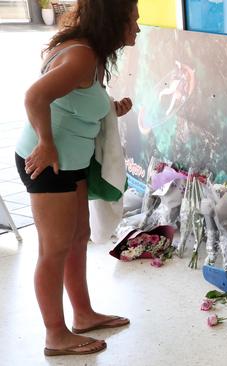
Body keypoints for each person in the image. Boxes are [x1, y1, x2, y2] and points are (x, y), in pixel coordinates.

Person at [14, 0, 140, 356]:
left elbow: (74, 101)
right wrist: (46, 143)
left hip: (71, 162)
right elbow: (35, 96)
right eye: (133, 20)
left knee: (78, 236)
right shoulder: (83, 55)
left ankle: (83, 314)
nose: (138, 28)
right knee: (53, 249)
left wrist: (110, 110)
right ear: (113, 21)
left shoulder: (91, 55)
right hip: (48, 163)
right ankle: (56, 334)